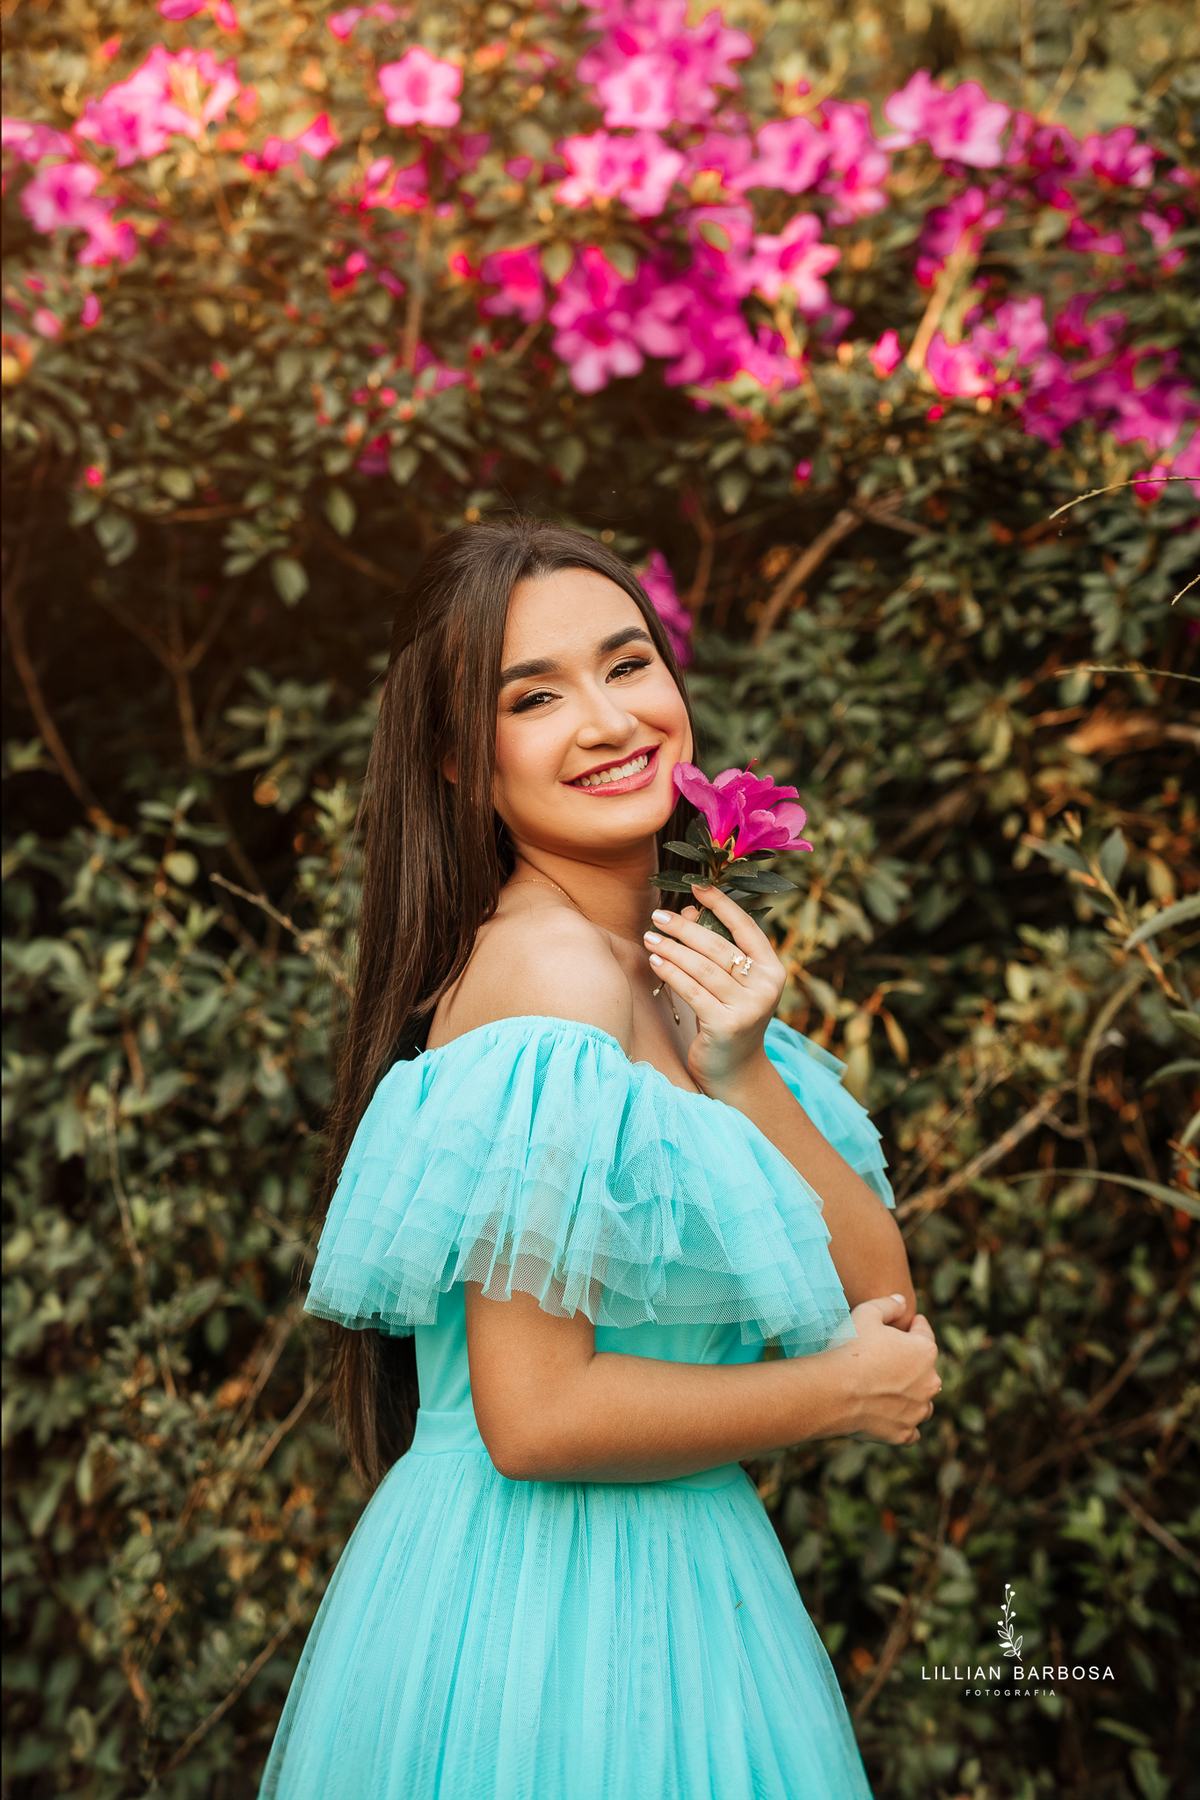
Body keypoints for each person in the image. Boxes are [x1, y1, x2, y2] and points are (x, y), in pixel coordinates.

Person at [259, 518, 941, 1800]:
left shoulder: (668, 976)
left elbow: (880, 1300)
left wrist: (740, 1071)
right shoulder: (550, 978)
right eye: (534, 695)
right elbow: (537, 1416)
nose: (609, 718)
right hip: (543, 1615)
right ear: (462, 762)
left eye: (627, 665)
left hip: (684, 1585)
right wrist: (835, 1400)